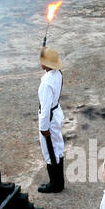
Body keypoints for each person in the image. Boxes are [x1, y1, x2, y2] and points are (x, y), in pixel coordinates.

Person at [37, 47, 65, 193]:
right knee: (57, 148)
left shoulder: (46, 84)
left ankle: (55, 184)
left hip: (49, 117)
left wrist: (44, 127)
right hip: (56, 113)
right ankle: (59, 182)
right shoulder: (57, 74)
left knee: (50, 151)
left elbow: (45, 108)